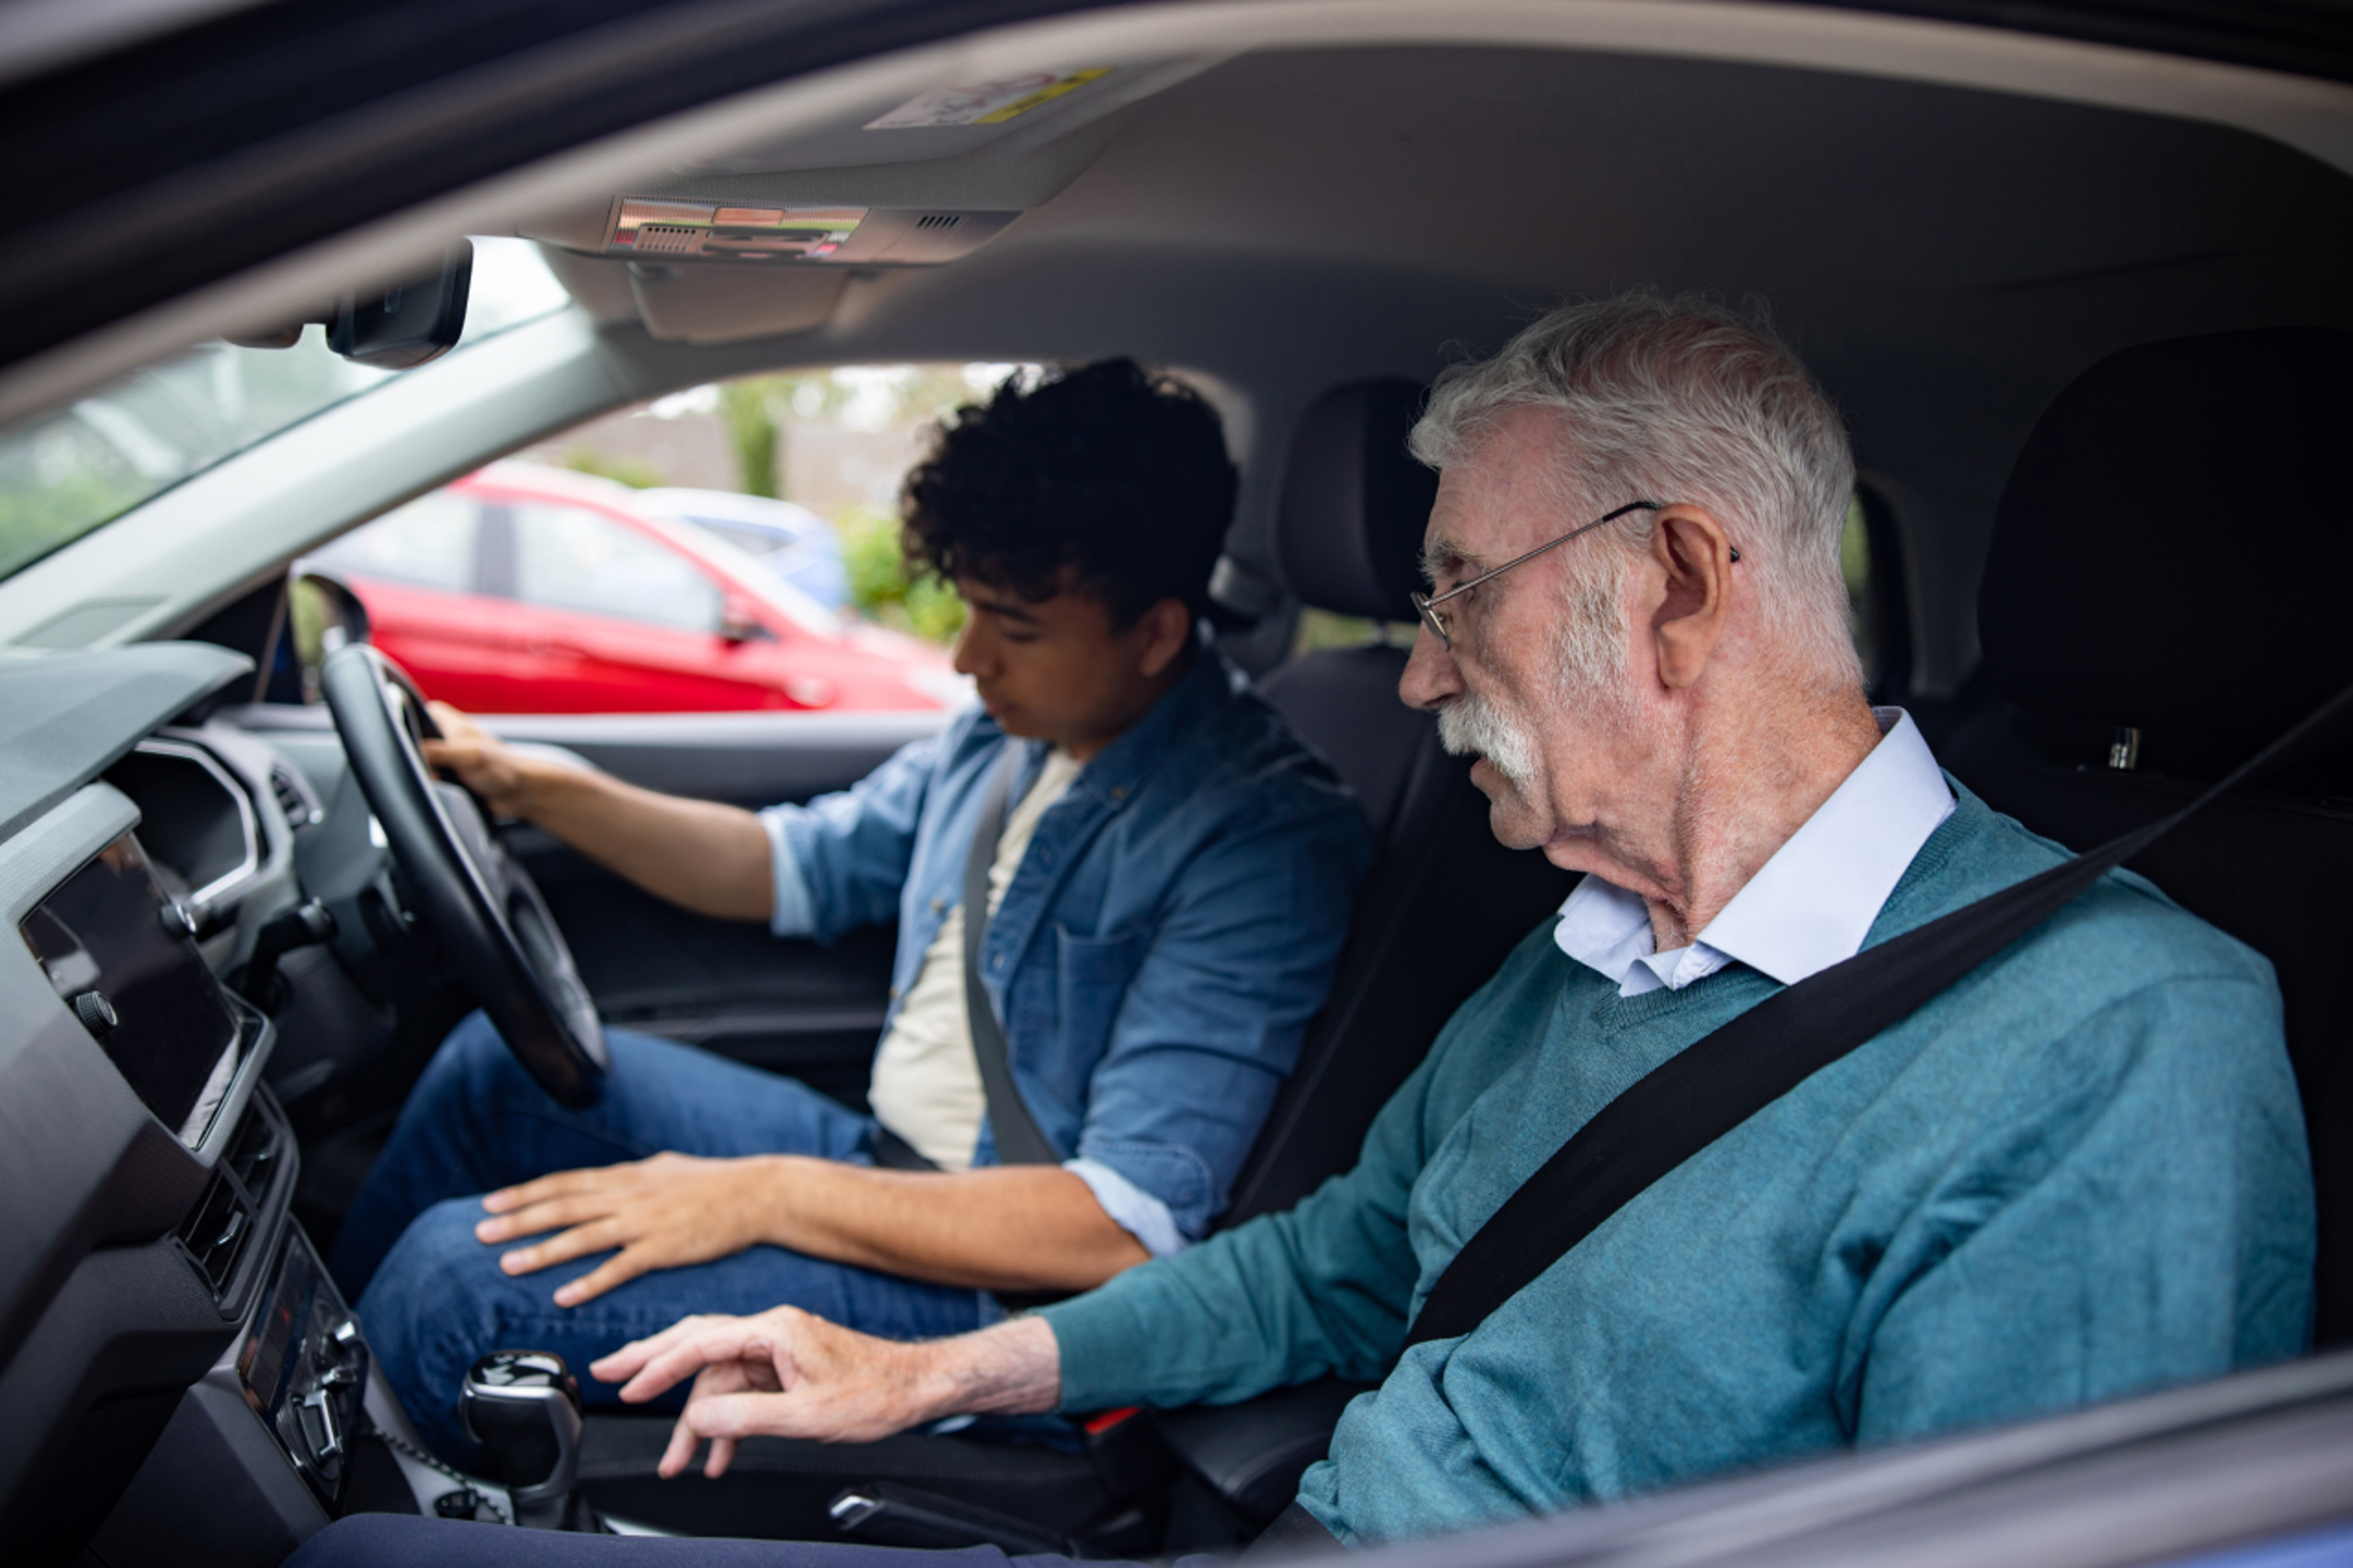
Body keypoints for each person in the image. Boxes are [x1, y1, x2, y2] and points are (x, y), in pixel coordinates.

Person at [295, 296, 2313, 1566]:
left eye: (1457, 596)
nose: (1417, 677)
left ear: (1681, 587)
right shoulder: (1592, 945)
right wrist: (923, 1370)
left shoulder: (2117, 1047)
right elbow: (1326, 1268)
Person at [329, 358, 1375, 1456]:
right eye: (969, 609)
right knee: (489, 1069)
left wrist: (766, 1195)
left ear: (1156, 634)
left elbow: (1116, 1227)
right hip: (879, 1154)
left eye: (1014, 627)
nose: (968, 659)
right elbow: (790, 865)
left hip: (999, 1292)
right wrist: (541, 787)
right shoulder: (1005, 735)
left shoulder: (1261, 837)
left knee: (457, 1282)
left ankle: (310, 1487)